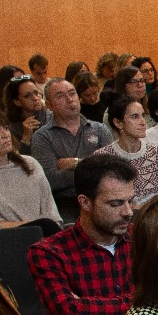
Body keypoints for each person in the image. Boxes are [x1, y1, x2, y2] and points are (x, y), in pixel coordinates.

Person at [28, 154, 138, 315]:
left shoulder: (140, 237)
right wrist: (143, 302)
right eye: (115, 204)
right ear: (84, 202)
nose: (127, 212)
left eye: (130, 201)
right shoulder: (49, 252)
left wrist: (91, 305)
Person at [30, 79, 111, 219]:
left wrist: (74, 163)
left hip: (101, 196)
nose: (69, 100)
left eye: (72, 93)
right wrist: (93, 167)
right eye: (60, 96)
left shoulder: (100, 129)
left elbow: (110, 169)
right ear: (49, 105)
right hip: (65, 201)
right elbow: (51, 180)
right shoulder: (42, 137)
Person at [98, 96, 158, 205]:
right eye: (134, 117)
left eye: (142, 115)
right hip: (121, 218)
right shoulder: (103, 159)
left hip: (157, 217)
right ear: (118, 123)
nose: (143, 122)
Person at [4, 73, 49, 151]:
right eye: (27, 96)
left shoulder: (52, 117)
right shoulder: (10, 129)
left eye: (36, 93)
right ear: (17, 102)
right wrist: (26, 138)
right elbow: (17, 160)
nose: (35, 98)